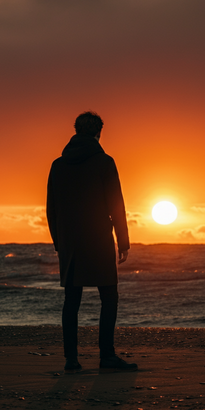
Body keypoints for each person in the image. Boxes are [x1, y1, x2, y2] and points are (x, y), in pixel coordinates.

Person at [46, 111, 137, 373]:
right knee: (109, 296)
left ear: (76, 131)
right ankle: (107, 356)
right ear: (98, 133)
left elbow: (51, 208)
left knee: (71, 299)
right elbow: (116, 204)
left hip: (70, 241)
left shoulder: (58, 165)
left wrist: (58, 242)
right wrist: (123, 240)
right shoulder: (104, 162)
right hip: (98, 238)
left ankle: (71, 359)